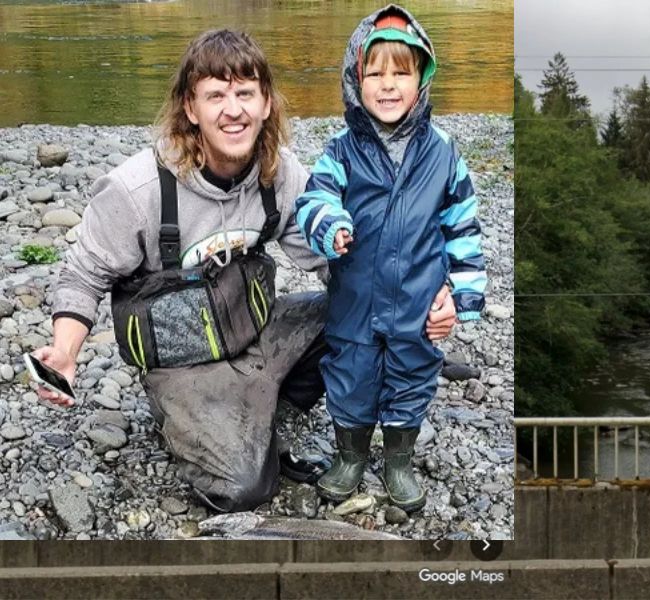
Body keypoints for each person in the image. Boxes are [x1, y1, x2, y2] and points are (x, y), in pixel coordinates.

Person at [31, 29, 460, 513]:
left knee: (352, 311)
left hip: (254, 330)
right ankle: (189, 416)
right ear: (191, 108)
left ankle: (271, 406)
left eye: (245, 94)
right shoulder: (138, 189)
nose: (232, 110)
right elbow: (83, 274)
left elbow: (343, 263)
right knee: (245, 488)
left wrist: (422, 309)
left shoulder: (282, 175)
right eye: (216, 95)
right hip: (184, 363)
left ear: (266, 103)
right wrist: (64, 352)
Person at [294, 5, 486, 513]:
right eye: (375, 73)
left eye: (401, 72)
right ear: (355, 79)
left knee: (413, 375)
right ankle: (350, 455)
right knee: (350, 375)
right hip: (355, 303)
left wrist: (459, 296)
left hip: (418, 305)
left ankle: (399, 459)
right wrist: (328, 225)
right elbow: (314, 199)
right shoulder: (341, 150)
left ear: (422, 78)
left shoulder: (444, 153)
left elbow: (463, 228)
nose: (387, 85)